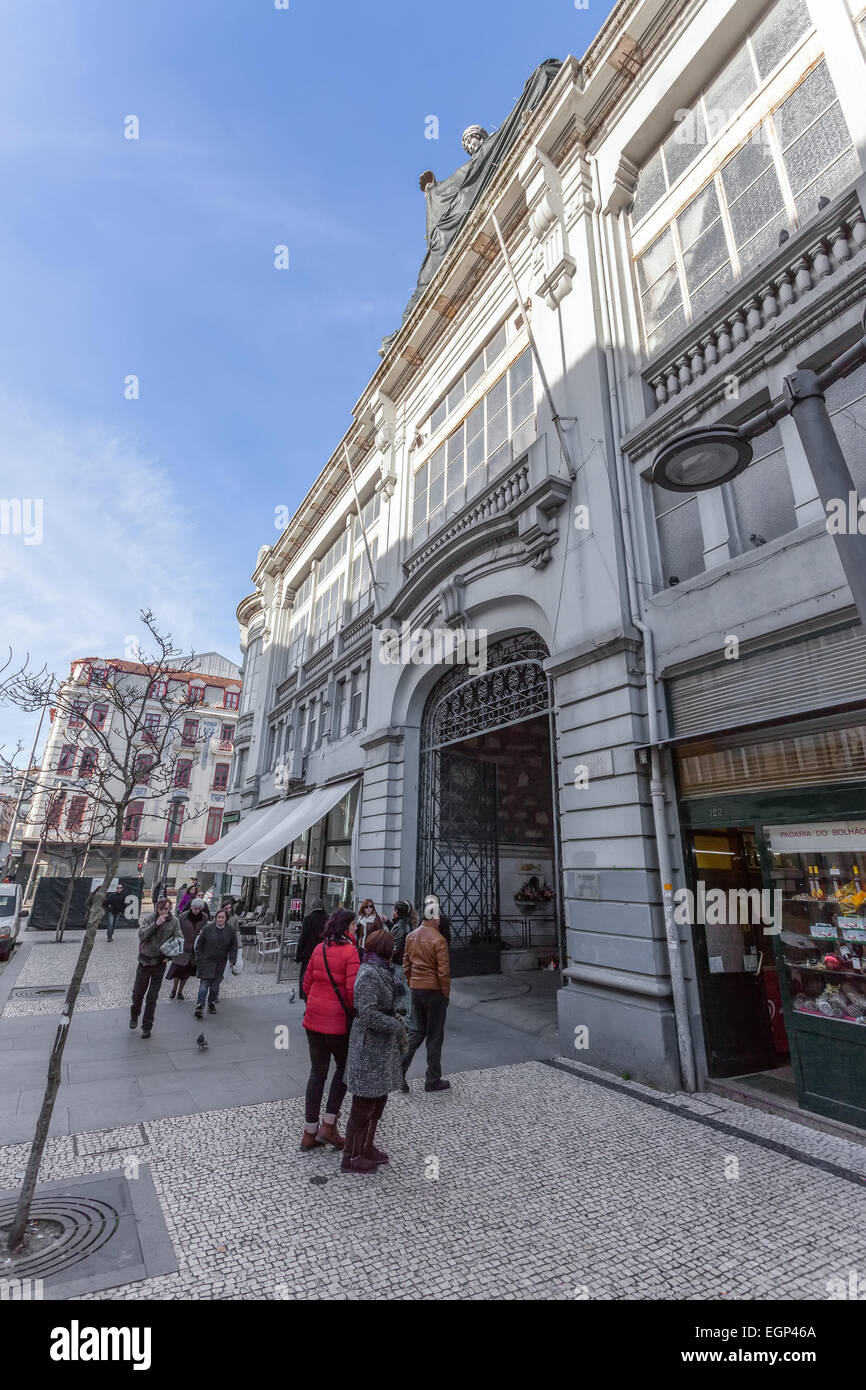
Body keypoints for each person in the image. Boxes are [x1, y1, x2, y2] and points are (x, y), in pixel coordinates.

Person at [342, 929, 407, 1175]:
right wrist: (394, 1025)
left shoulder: (383, 970)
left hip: (381, 1048)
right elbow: (367, 1012)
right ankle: (351, 1156)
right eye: (392, 947)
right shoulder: (369, 972)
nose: (395, 950)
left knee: (378, 1100)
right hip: (368, 1047)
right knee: (363, 1103)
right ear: (384, 949)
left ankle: (367, 1147)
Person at [300, 909, 359, 1152]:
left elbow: (306, 984)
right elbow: (352, 992)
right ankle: (329, 1124)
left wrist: (316, 1002)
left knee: (317, 1073)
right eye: (354, 925)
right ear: (346, 927)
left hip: (313, 1020)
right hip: (336, 1023)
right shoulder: (350, 952)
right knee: (344, 1069)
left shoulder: (319, 948)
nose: (356, 928)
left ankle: (309, 1132)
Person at [402, 897, 451, 1092]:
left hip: (417, 989)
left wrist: (412, 982)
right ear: (435, 918)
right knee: (435, 1036)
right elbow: (443, 972)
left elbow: (406, 964)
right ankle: (432, 1079)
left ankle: (399, 1069)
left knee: (416, 1032)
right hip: (434, 992)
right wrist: (445, 994)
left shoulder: (411, 936)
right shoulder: (439, 940)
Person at [130, 898, 182, 1039]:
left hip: (159, 963)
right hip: (144, 962)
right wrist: (156, 924)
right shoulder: (149, 918)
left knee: (152, 997)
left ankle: (147, 1026)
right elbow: (142, 935)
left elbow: (178, 940)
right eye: (161, 909)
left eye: (167, 909)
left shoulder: (174, 922)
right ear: (157, 908)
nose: (164, 911)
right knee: (137, 994)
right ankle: (134, 1014)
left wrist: (169, 957)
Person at [193, 906, 238, 1018]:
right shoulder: (208, 928)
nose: (220, 919)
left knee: (215, 985)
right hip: (206, 960)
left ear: (226, 919)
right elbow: (199, 944)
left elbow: (234, 946)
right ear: (216, 918)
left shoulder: (230, 931)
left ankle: (211, 1003)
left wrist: (232, 960)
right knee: (204, 985)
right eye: (219, 917)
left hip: (220, 962)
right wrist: (199, 957)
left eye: (222, 917)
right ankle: (200, 1006)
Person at [169, 897, 206, 1001]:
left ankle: (180, 991)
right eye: (195, 908)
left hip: (193, 950)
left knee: (186, 973)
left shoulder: (204, 917)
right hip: (182, 948)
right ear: (191, 907)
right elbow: (176, 930)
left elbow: (204, 930)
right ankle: (174, 989)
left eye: (199, 909)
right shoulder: (182, 916)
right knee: (177, 971)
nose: (197, 910)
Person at [295, 896, 328, 1001]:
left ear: (312, 906)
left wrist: (298, 956)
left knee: (306, 976)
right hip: (324, 952)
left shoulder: (308, 919)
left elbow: (302, 938)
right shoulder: (328, 918)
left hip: (308, 953)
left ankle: (306, 997)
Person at [389, 900, 417, 1019]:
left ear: (397, 911)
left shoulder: (399, 926)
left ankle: (406, 1017)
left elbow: (396, 946)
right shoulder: (408, 923)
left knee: (403, 989)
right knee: (403, 988)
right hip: (405, 961)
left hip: (399, 963)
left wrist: (389, 958)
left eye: (394, 910)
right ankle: (404, 1014)